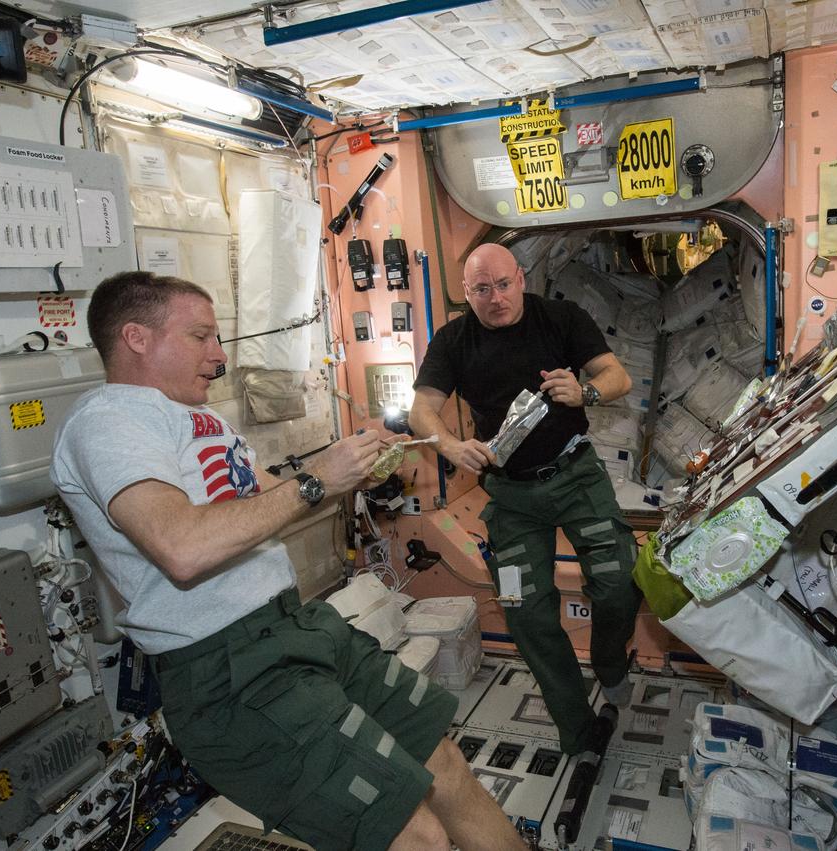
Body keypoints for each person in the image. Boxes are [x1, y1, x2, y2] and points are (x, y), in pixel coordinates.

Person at [50, 271, 524, 851]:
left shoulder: (199, 419)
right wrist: (314, 481)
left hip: (295, 628)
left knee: (442, 763)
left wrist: (349, 469)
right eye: (201, 337)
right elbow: (182, 547)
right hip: (230, 670)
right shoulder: (109, 420)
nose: (218, 356)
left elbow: (271, 501)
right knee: (410, 832)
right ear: (137, 338)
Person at [409, 243, 642, 756]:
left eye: (504, 284)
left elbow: (616, 376)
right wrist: (447, 443)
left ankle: (609, 662)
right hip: (511, 495)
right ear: (466, 294)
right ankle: (579, 730)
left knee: (617, 582)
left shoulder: (561, 318)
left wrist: (587, 393)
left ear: (522, 277)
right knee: (526, 614)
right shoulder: (453, 341)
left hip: (576, 474)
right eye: (481, 290)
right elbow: (421, 409)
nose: (496, 299)